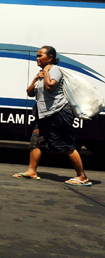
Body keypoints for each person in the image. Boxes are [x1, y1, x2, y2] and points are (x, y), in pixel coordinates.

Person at [13, 46, 91, 186]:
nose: (37, 58)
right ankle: (32, 171)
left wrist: (47, 72)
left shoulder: (54, 70)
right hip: (44, 114)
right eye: (37, 56)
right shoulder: (42, 72)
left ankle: (82, 176)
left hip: (58, 112)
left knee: (66, 144)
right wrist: (37, 78)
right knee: (35, 141)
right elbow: (30, 92)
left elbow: (50, 86)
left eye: (40, 56)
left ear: (50, 57)